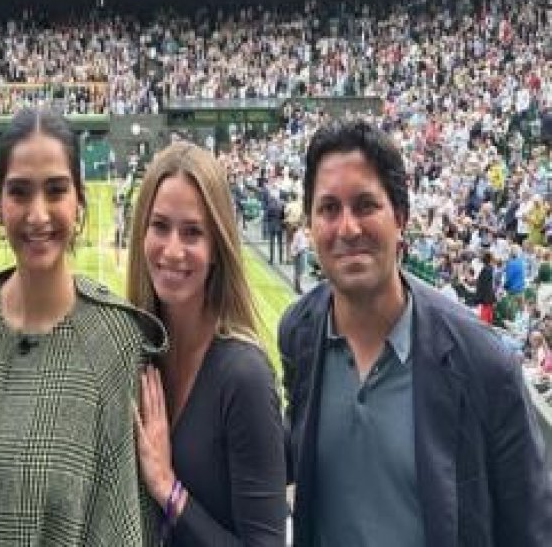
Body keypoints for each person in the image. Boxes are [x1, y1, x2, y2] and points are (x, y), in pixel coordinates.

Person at [279, 119, 552, 547]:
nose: (347, 228)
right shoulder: (299, 332)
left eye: (365, 205)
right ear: (310, 225)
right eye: (329, 208)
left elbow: (530, 530)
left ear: (401, 218)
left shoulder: (484, 364)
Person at [0, 109, 168, 546]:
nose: (38, 214)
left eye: (56, 190)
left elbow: (118, 521)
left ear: (79, 202)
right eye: (19, 192)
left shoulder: (116, 341)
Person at [127, 141, 287, 546]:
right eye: (160, 226)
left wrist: (168, 488)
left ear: (217, 246)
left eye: (193, 232)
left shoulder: (244, 377)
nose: (172, 250)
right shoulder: (135, 353)